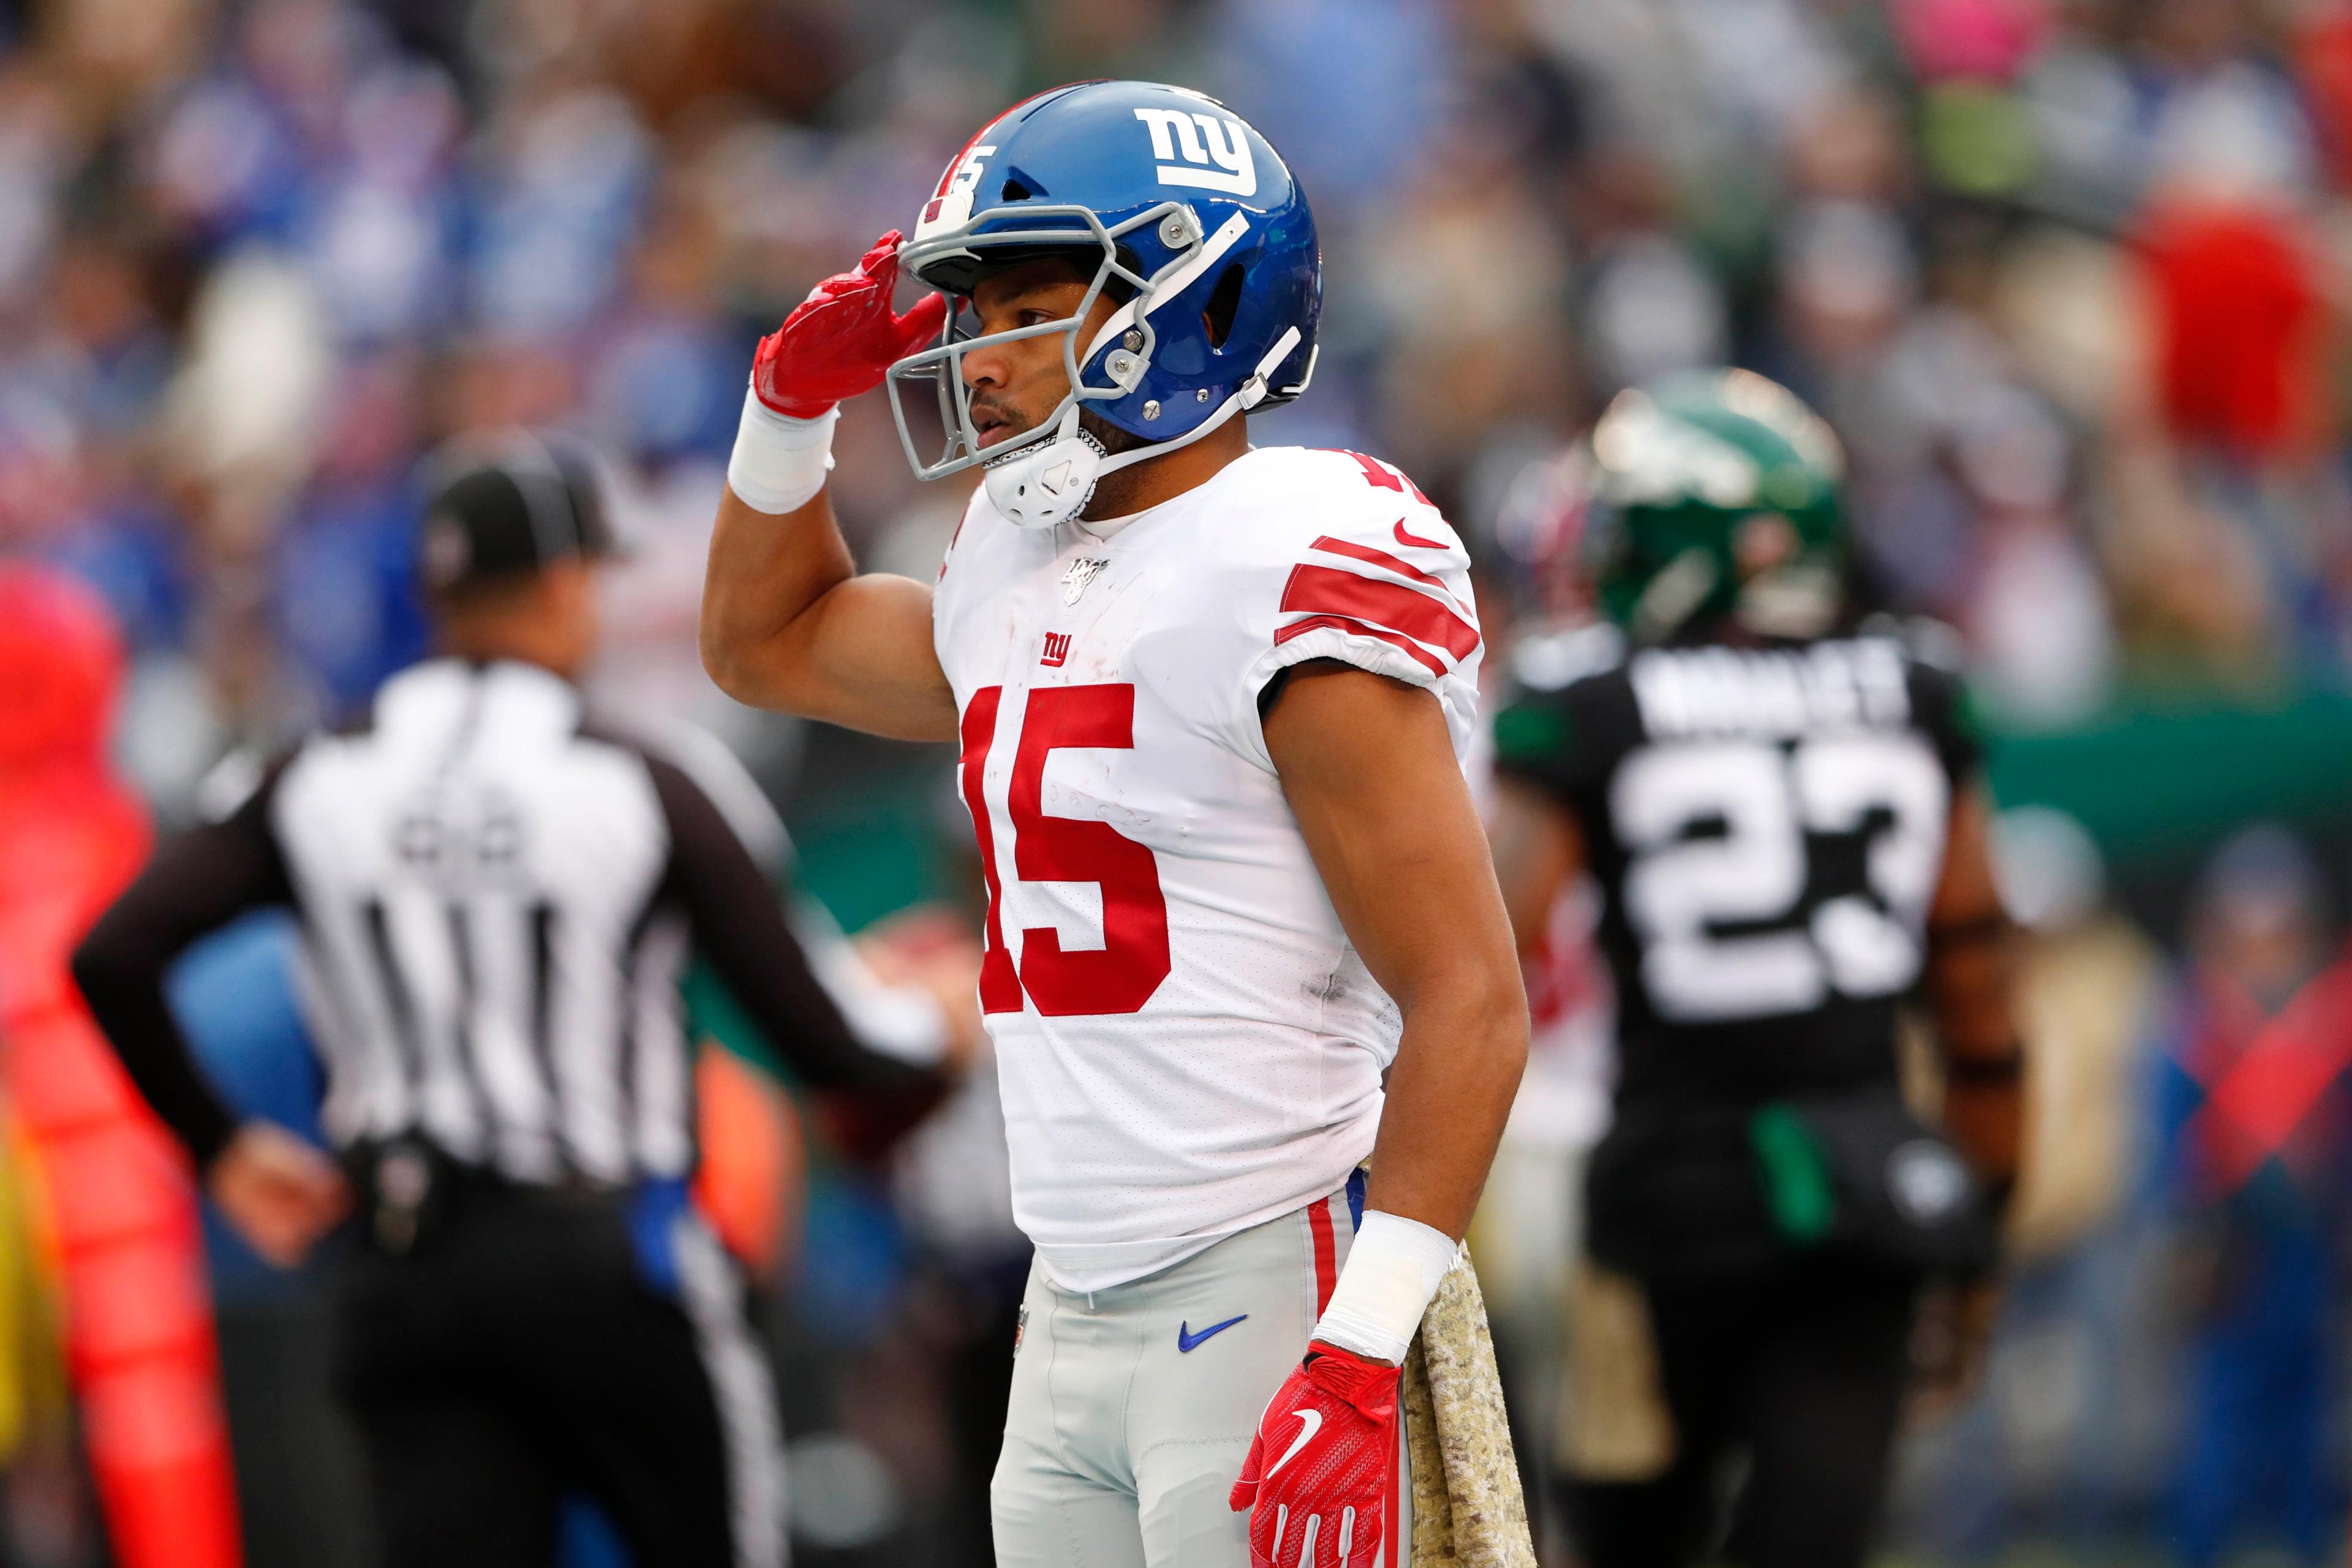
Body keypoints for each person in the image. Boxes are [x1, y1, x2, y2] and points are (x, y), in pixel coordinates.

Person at [699, 80, 1529, 1568]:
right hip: (1065, 1293)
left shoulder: (1291, 551)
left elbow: (1471, 997)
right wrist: (786, 410)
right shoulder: (1014, 554)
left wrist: (1362, 1344)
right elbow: (766, 644)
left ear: (1185, 296)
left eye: (1027, 302)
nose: (977, 352)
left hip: (1272, 1267)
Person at [72, 435, 968, 1568]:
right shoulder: (645, 774)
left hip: (405, 1268)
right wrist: (939, 1022)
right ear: (565, 580)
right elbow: (831, 1045)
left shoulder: (309, 771)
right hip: (607, 1260)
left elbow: (112, 956)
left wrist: (223, 1149)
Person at [1482, 370, 2027, 1568]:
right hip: (1869, 1192)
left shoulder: (1589, 700)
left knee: (1627, 1541)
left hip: (1665, 1197)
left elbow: (1477, 965)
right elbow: (1980, 1001)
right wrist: (1979, 1246)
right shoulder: (1914, 687)